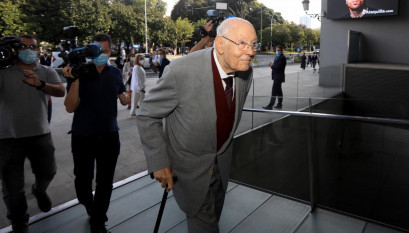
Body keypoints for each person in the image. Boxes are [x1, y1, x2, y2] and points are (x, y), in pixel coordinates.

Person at [137, 17, 257, 232]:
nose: (251, 51)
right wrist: (158, 160)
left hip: (222, 168)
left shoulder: (245, 74)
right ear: (220, 44)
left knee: (213, 219)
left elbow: (225, 116)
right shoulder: (181, 71)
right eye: (242, 44)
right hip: (188, 172)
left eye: (254, 44)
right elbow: (146, 114)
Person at [63, 33, 130, 233]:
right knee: (83, 184)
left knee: (105, 182)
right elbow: (69, 107)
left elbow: (121, 94)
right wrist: (75, 80)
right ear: (90, 51)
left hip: (109, 135)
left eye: (105, 50)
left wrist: (124, 99)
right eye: (97, 50)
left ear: (111, 51)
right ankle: (91, 207)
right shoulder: (80, 72)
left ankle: (98, 222)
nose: (101, 54)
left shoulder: (115, 72)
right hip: (83, 136)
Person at [0, 35, 65, 233]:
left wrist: (41, 85)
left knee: (48, 171)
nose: (29, 50)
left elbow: (60, 91)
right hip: (7, 137)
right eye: (24, 46)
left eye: (33, 46)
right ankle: (19, 222)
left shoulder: (45, 70)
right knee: (12, 187)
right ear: (15, 49)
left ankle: (39, 189)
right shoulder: (3, 72)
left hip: (40, 133)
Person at [263, 45, 286, 110]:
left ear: (281, 50)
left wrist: (271, 65)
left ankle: (270, 105)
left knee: (274, 91)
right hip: (276, 76)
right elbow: (276, 65)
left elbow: (278, 67)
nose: (277, 51)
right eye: (276, 50)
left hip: (279, 77)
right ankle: (279, 104)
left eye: (279, 50)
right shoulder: (277, 56)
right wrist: (272, 65)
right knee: (279, 91)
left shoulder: (282, 57)